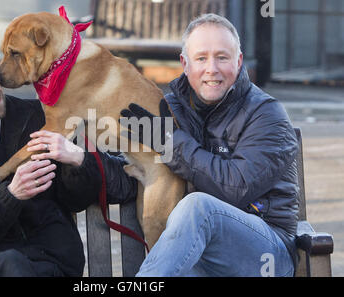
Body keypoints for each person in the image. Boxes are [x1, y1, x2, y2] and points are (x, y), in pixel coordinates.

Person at [0, 50, 137, 277]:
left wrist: (78, 160)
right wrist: (12, 195)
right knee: (11, 263)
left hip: (52, 259)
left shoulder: (39, 119)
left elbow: (77, 200)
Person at [120, 14, 299, 277]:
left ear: (238, 62)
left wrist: (169, 143)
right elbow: (133, 169)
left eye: (222, 57)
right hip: (199, 255)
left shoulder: (267, 114)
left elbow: (236, 187)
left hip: (265, 253)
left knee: (198, 207)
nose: (211, 68)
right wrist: (80, 160)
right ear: (185, 63)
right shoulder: (169, 109)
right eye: (201, 58)